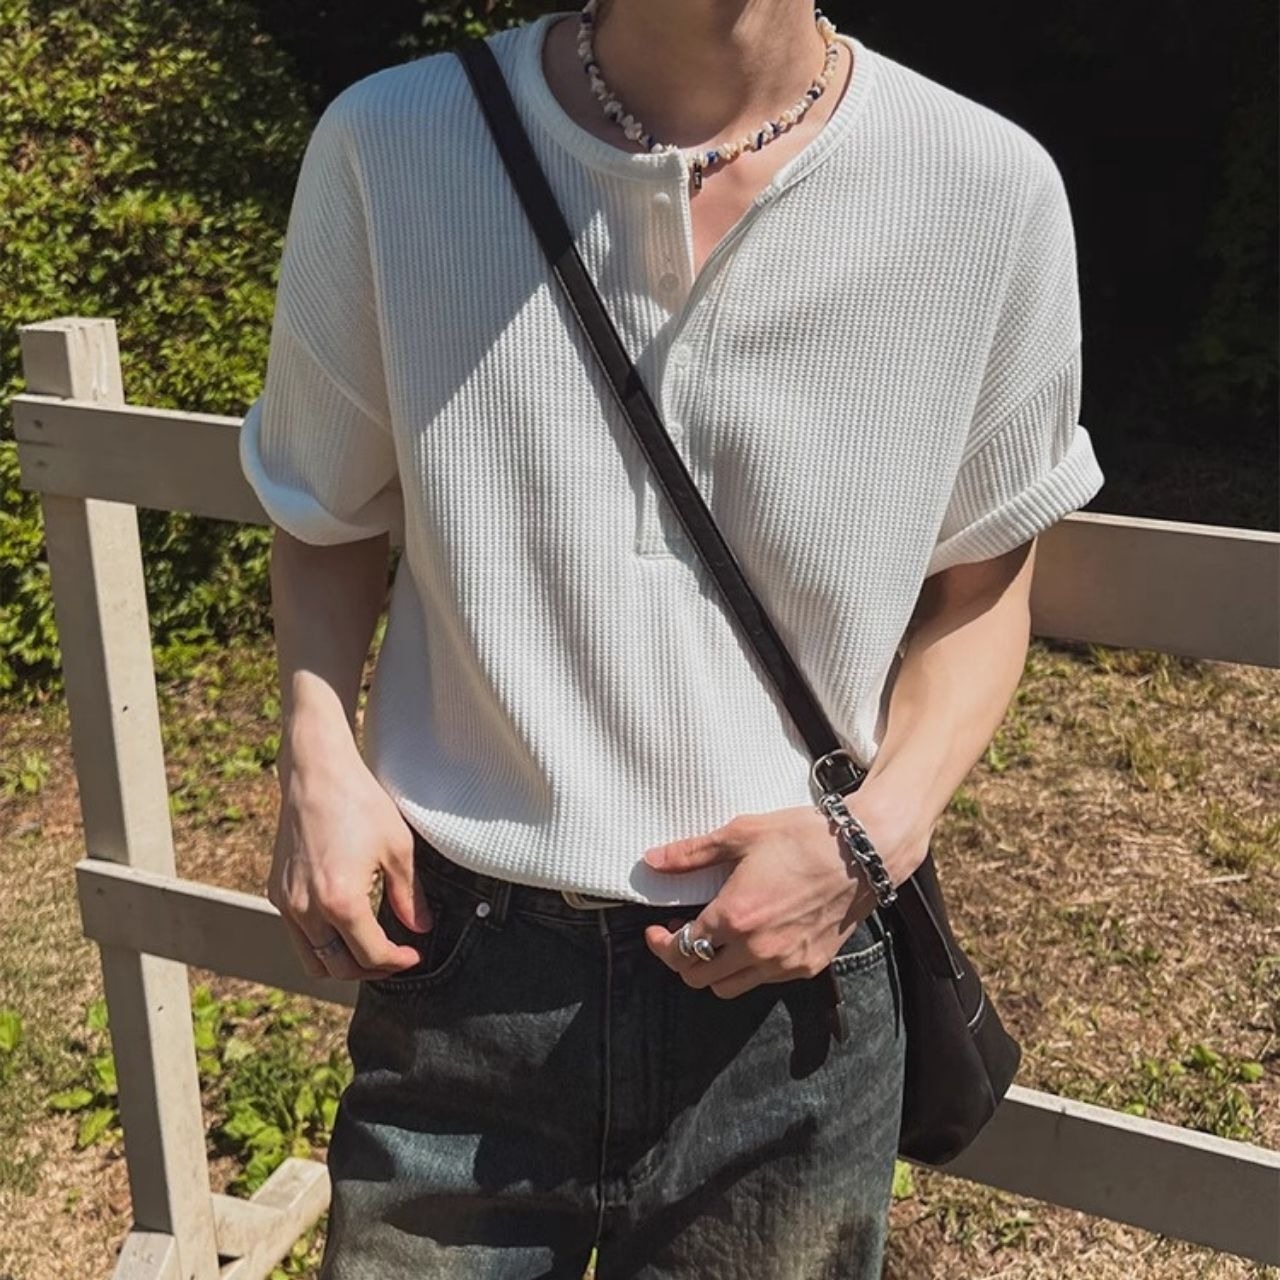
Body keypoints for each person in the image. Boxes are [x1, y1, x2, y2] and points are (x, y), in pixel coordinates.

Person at [238, 1, 1105, 1275]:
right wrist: (316, 752)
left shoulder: (985, 187)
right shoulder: (393, 144)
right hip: (462, 959)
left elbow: (982, 584)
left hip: (795, 982)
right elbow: (323, 511)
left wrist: (875, 832)